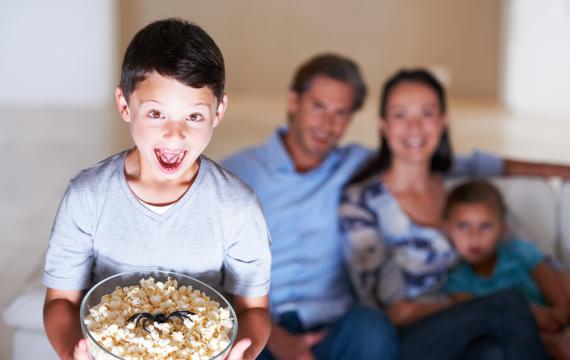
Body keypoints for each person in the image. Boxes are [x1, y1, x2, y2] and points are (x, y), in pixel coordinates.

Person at [42, 19, 271, 360]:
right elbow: (60, 300)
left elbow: (254, 310)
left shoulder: (237, 206)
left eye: (194, 117)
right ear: (124, 105)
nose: (175, 134)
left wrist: (241, 353)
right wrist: (73, 351)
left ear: (219, 111)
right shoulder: (87, 197)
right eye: (155, 114)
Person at [339, 69, 548, 359]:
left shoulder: (461, 191)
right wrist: (485, 307)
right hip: (402, 341)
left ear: (443, 122)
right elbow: (395, 311)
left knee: (493, 353)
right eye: (400, 115)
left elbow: (525, 252)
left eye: (426, 113)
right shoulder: (361, 205)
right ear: (383, 125)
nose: (414, 127)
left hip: (472, 331)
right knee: (508, 306)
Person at [444, 180, 570, 359]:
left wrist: (558, 316)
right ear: (447, 229)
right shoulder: (456, 282)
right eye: (463, 226)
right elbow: (488, 322)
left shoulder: (521, 252)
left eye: (485, 226)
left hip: (557, 325)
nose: (474, 236)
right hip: (521, 340)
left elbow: (560, 300)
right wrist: (532, 319)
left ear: (502, 229)